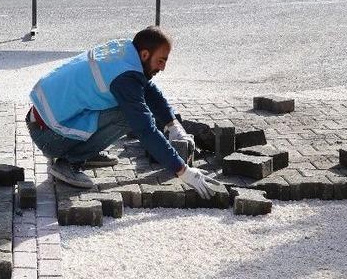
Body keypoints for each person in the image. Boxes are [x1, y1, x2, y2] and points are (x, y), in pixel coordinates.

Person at [26, 26, 220, 200]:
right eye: (160, 61)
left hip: (43, 118)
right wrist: (183, 171)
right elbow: (145, 129)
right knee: (129, 116)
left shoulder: (126, 51)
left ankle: (86, 150)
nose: (163, 67)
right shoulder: (126, 76)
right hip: (48, 135)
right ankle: (69, 162)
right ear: (145, 55)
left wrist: (173, 125)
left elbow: (147, 88)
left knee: (132, 108)